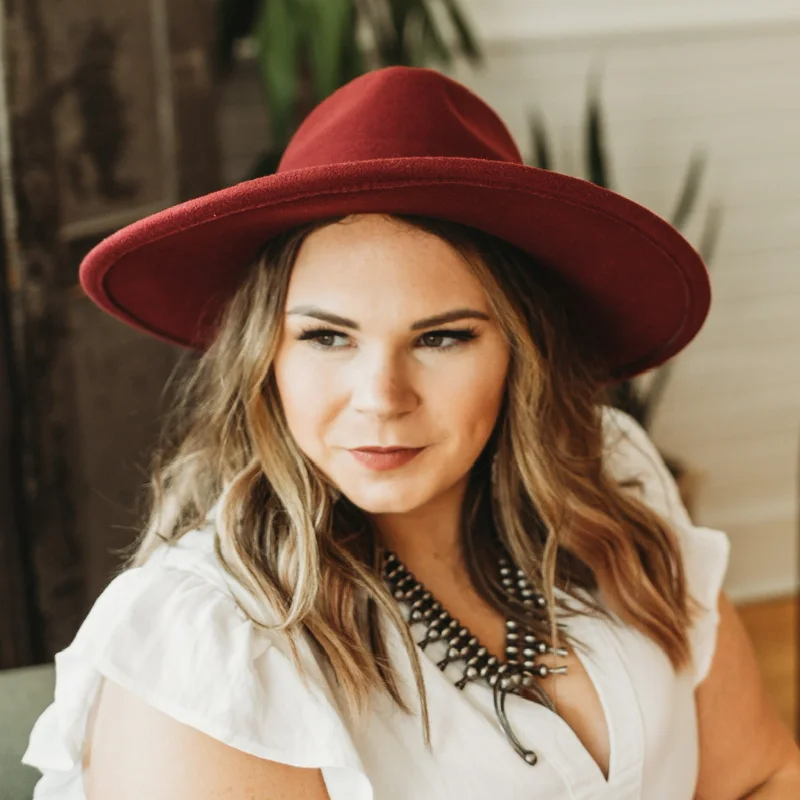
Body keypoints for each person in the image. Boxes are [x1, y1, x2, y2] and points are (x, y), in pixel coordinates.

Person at [21, 66, 800, 799]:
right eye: (327, 338)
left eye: (442, 337)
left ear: (521, 356)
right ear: (266, 359)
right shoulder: (209, 654)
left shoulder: (611, 490)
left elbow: (761, 776)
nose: (382, 398)